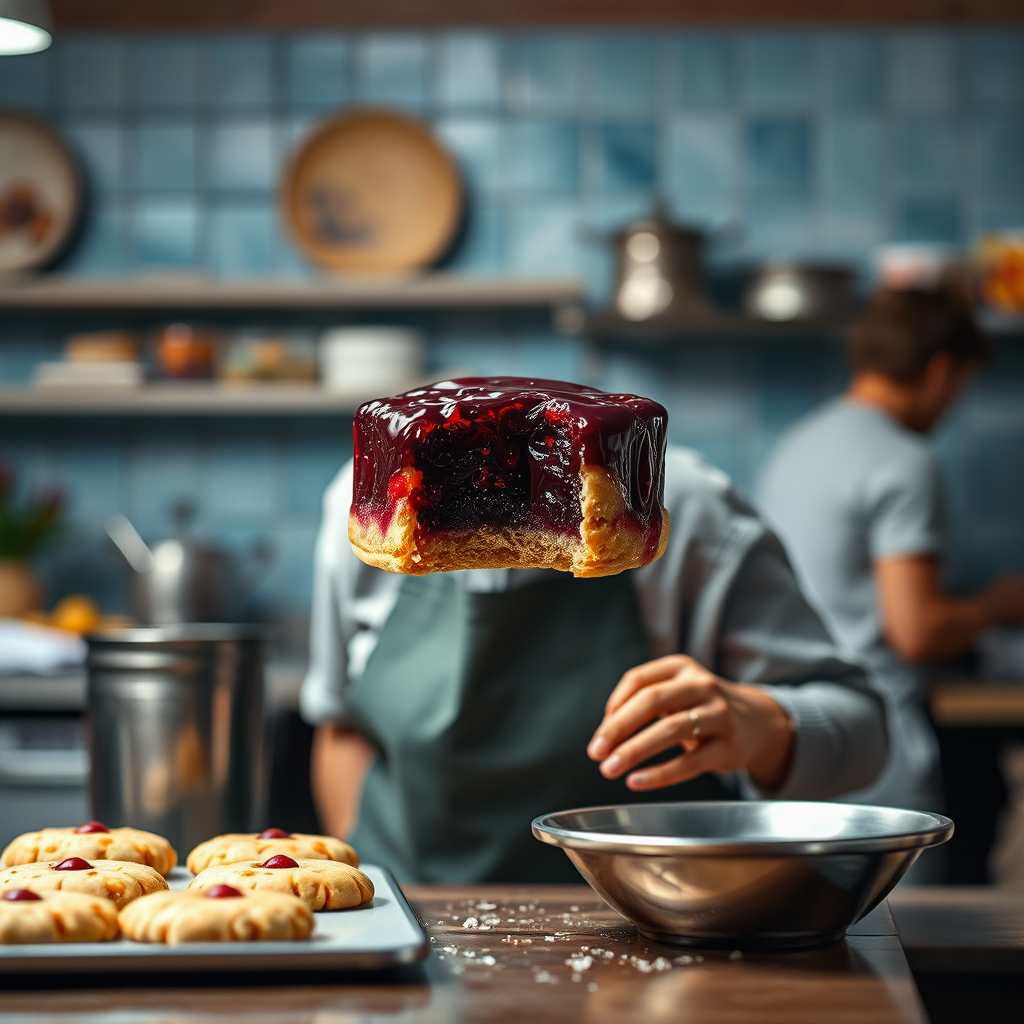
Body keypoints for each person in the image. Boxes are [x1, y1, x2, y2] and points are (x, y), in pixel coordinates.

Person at [301, 440, 888, 884]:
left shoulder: (678, 510)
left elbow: (865, 729)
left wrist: (758, 723)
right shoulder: (377, 501)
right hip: (410, 930)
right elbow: (342, 728)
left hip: (650, 927)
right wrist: (365, 888)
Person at [759, 288, 1024, 826]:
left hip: (790, 739)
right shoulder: (903, 460)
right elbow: (917, 630)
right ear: (940, 371)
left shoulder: (795, 445)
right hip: (873, 755)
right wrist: (998, 605)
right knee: (900, 913)